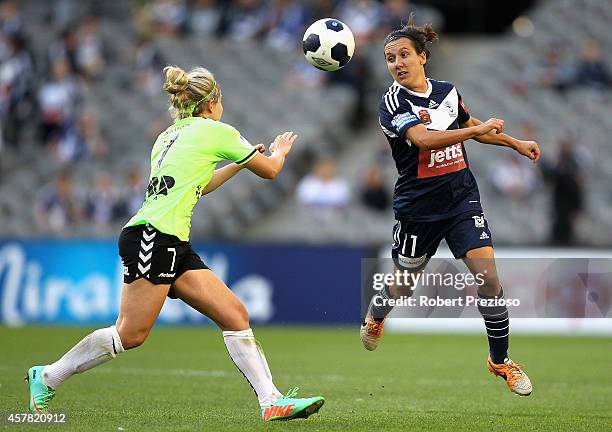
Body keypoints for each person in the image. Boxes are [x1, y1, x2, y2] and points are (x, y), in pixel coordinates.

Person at [26, 65, 325, 422]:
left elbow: (200, 184)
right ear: (213, 101)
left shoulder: (167, 136)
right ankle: (47, 376)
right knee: (130, 333)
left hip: (167, 238)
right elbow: (272, 170)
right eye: (221, 99)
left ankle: (270, 401)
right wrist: (280, 150)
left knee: (234, 314)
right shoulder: (217, 131)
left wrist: (237, 166)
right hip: (154, 235)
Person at [361, 17, 541, 397]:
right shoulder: (392, 101)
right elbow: (424, 140)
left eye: (404, 54)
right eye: (390, 58)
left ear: (423, 57)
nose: (396, 63)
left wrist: (515, 143)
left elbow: (467, 121)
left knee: (489, 279)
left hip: (461, 199)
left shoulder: (446, 91)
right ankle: (377, 313)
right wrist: (475, 132)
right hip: (418, 208)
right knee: (404, 285)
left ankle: (500, 360)